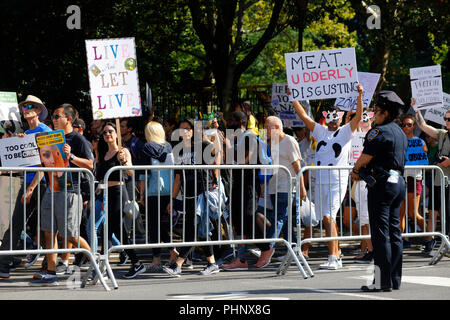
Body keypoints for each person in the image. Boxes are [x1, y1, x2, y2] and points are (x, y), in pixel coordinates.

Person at [291, 84, 364, 270]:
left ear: (340, 119)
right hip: (321, 180)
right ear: (326, 118)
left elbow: (358, 116)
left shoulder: (346, 131)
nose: (333, 122)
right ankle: (337, 253)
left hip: (336, 180)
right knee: (325, 218)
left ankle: (333, 257)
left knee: (328, 216)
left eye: (336, 118)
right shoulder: (320, 131)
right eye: (330, 118)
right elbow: (304, 117)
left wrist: (359, 95)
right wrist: (293, 99)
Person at [30, 103, 94, 286]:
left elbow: (90, 165)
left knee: (71, 235)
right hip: (51, 189)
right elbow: (45, 162)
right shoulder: (49, 137)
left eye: (57, 116)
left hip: (70, 190)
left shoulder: (78, 139)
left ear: (69, 119)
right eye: (53, 117)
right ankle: (51, 272)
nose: (54, 120)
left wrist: (72, 156)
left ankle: (96, 263)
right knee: (49, 233)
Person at [351, 90, 408, 292]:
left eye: (376, 111)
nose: (374, 115)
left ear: (385, 112)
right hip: (398, 182)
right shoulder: (400, 132)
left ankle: (381, 282)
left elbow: (365, 157)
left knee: (380, 234)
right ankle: (394, 280)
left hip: (382, 184)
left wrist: (356, 170)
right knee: (394, 233)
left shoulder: (379, 132)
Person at [0, 95, 51, 279]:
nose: (26, 109)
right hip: (28, 182)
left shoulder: (44, 131)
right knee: (15, 223)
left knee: (47, 226)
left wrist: (31, 187)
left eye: (30, 106)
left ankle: (49, 265)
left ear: (38, 111)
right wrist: (11, 141)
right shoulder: (26, 134)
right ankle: (3, 265)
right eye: (24, 106)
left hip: (42, 183)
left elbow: (46, 164)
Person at [163, 118, 220, 277]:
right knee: (201, 230)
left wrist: (215, 132)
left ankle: (178, 264)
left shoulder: (202, 145)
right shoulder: (179, 150)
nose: (185, 132)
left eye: (188, 129)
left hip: (203, 193)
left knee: (191, 229)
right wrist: (172, 200)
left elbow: (216, 151)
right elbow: (178, 179)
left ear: (193, 131)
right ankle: (212, 263)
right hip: (188, 194)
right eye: (181, 129)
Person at [221, 111, 274, 270]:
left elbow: (243, 160)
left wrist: (228, 146)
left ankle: (266, 248)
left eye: (230, 120)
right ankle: (241, 259)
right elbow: (229, 161)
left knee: (249, 218)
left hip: (249, 185)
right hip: (237, 184)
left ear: (239, 122)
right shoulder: (237, 139)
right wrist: (225, 145)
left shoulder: (249, 137)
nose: (227, 123)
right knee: (237, 221)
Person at [95, 122, 146, 279]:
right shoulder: (103, 152)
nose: (107, 134)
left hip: (118, 192)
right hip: (105, 193)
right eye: (104, 133)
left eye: (110, 131)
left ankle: (103, 267)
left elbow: (131, 173)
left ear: (116, 134)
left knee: (112, 230)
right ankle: (134, 263)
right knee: (114, 231)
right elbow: (99, 174)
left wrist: (123, 161)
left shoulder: (122, 151)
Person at [261, 116, 307, 266]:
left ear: (277, 128)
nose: (265, 130)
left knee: (278, 217)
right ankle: (294, 248)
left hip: (287, 186)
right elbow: (270, 166)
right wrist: (264, 186)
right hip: (274, 186)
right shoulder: (272, 143)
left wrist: (301, 188)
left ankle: (267, 248)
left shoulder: (289, 141)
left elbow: (297, 166)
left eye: (267, 127)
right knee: (284, 219)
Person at [139, 121, 178, 272]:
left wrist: (141, 193)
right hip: (169, 190)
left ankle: (157, 258)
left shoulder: (147, 147)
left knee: (153, 225)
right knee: (162, 224)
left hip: (154, 190)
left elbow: (144, 173)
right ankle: (171, 249)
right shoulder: (168, 146)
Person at [413, 104, 450, 248]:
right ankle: (430, 241)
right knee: (433, 212)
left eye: (449, 119)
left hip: (448, 182)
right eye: (445, 119)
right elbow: (423, 125)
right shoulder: (442, 134)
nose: (447, 121)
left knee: (446, 213)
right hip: (438, 180)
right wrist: (416, 110)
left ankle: (446, 243)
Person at [399, 114, 429, 249]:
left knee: (413, 213)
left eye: (409, 124)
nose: (406, 127)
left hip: (414, 179)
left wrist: (423, 151)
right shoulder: (399, 141)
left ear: (414, 126)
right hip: (400, 179)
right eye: (404, 124)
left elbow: (425, 158)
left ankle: (430, 237)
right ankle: (402, 239)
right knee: (401, 213)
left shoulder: (420, 142)